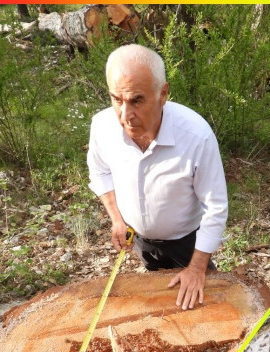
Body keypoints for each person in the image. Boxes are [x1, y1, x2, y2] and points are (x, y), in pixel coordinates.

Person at [87, 44, 229, 311]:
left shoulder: (196, 136)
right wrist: (117, 219)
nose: (125, 116)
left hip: (188, 244)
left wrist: (197, 268)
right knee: (160, 309)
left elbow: (216, 206)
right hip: (140, 242)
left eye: (137, 100)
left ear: (163, 94)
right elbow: (100, 172)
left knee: (206, 311)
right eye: (117, 99)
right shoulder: (102, 127)